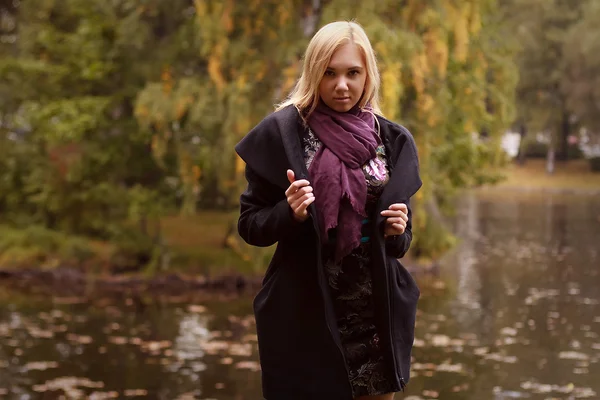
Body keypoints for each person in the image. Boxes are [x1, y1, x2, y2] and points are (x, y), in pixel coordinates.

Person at [235, 20, 422, 400]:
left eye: (353, 73)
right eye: (329, 73)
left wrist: (399, 232)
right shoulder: (284, 135)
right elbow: (250, 226)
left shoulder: (390, 139)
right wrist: (290, 213)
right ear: (313, 73)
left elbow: (399, 243)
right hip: (307, 310)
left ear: (368, 73)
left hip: (374, 314)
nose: (342, 85)